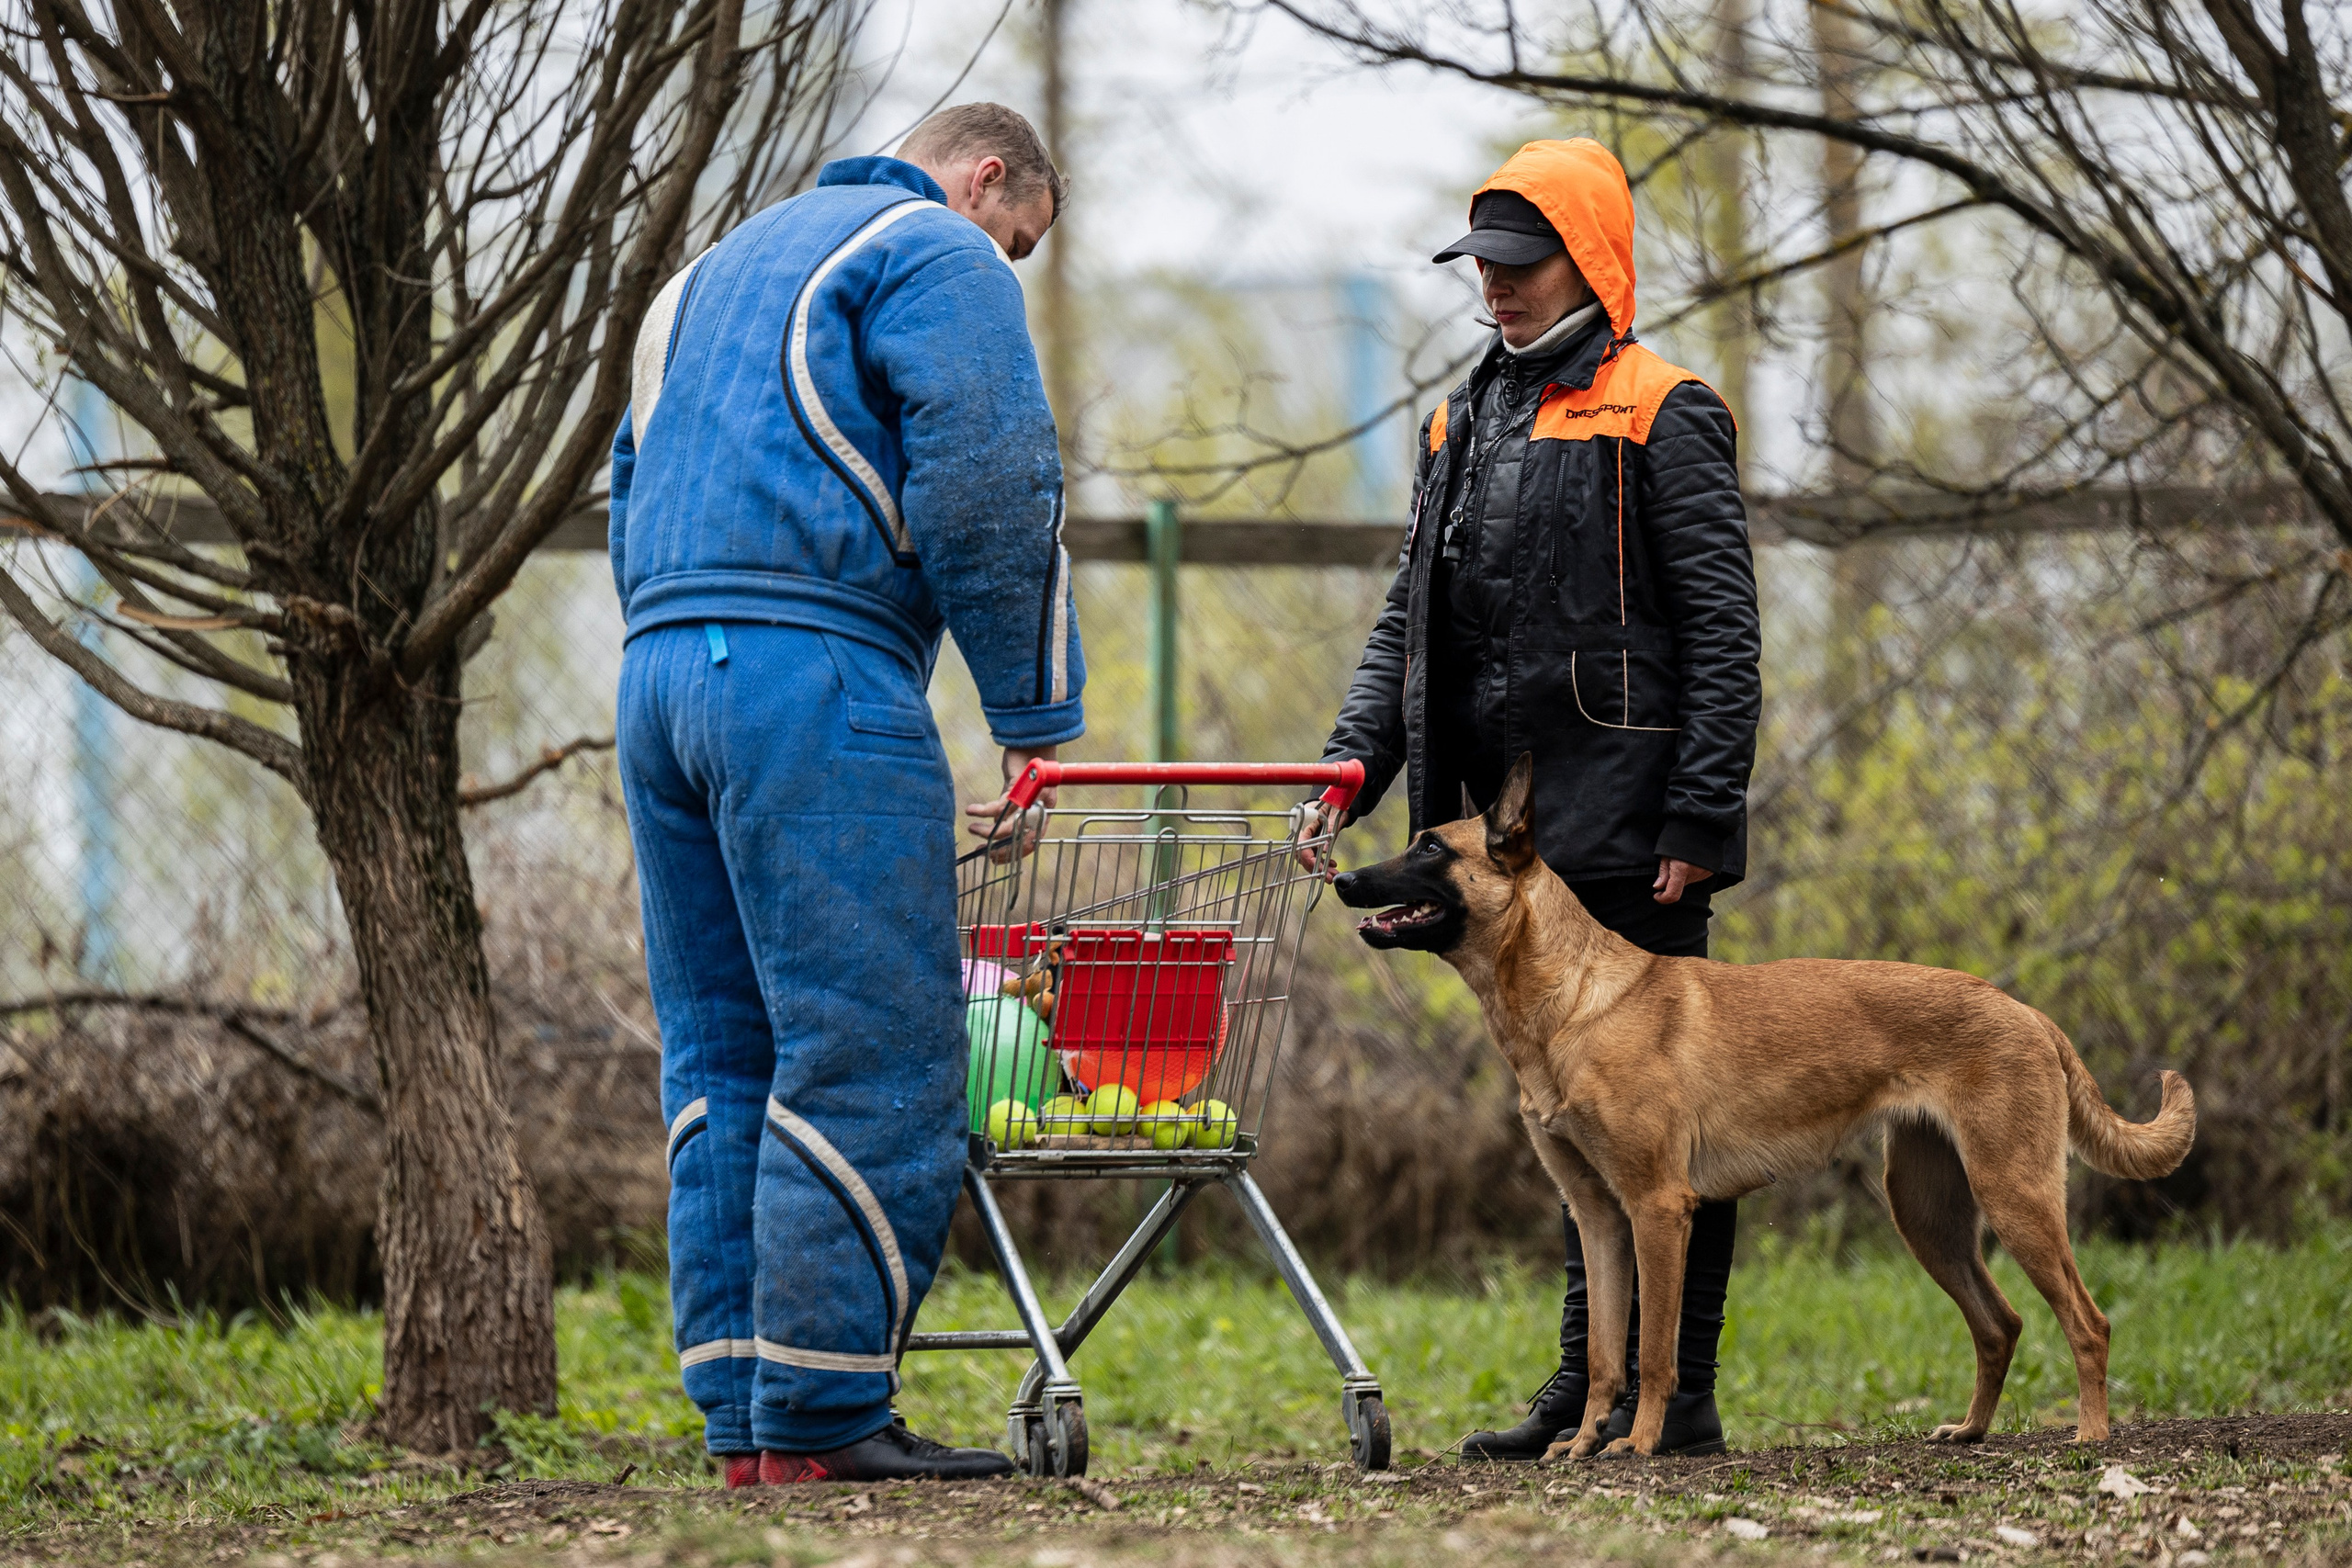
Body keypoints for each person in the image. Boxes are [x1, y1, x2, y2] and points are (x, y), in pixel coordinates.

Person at [608, 104, 1086, 1484]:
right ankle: (827, 1419)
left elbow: (632, 488)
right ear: (987, 177)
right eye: (1023, 238)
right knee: (872, 1041)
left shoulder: (704, 275)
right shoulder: (929, 248)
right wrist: (1032, 712)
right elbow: (993, 478)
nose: (1012, 265)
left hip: (659, 682)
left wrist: (677, 658)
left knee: (721, 1050)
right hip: (810, 680)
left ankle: (747, 1418)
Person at [1301, 138, 1760, 1458]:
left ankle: (1681, 1400)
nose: (1494, 289)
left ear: (1591, 262)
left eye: (1521, 264)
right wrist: (1352, 767)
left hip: (1625, 819)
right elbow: (1409, 621)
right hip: (1492, 841)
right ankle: (1588, 1390)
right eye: (1482, 267)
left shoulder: (1666, 408)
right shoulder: (1462, 415)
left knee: (1661, 1129)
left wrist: (1701, 818)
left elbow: (1723, 632)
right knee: (1573, 1126)